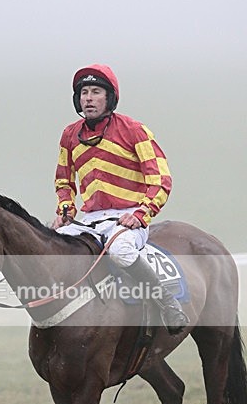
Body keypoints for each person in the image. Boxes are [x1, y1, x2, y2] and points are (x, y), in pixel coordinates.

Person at [52, 64, 189, 334]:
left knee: (120, 251)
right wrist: (65, 208)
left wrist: (141, 214)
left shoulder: (134, 130)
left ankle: (168, 303)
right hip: (89, 219)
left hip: (128, 217)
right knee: (53, 246)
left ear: (110, 97)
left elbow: (160, 179)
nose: (88, 98)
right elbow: (64, 180)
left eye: (96, 92)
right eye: (84, 93)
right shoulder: (69, 135)